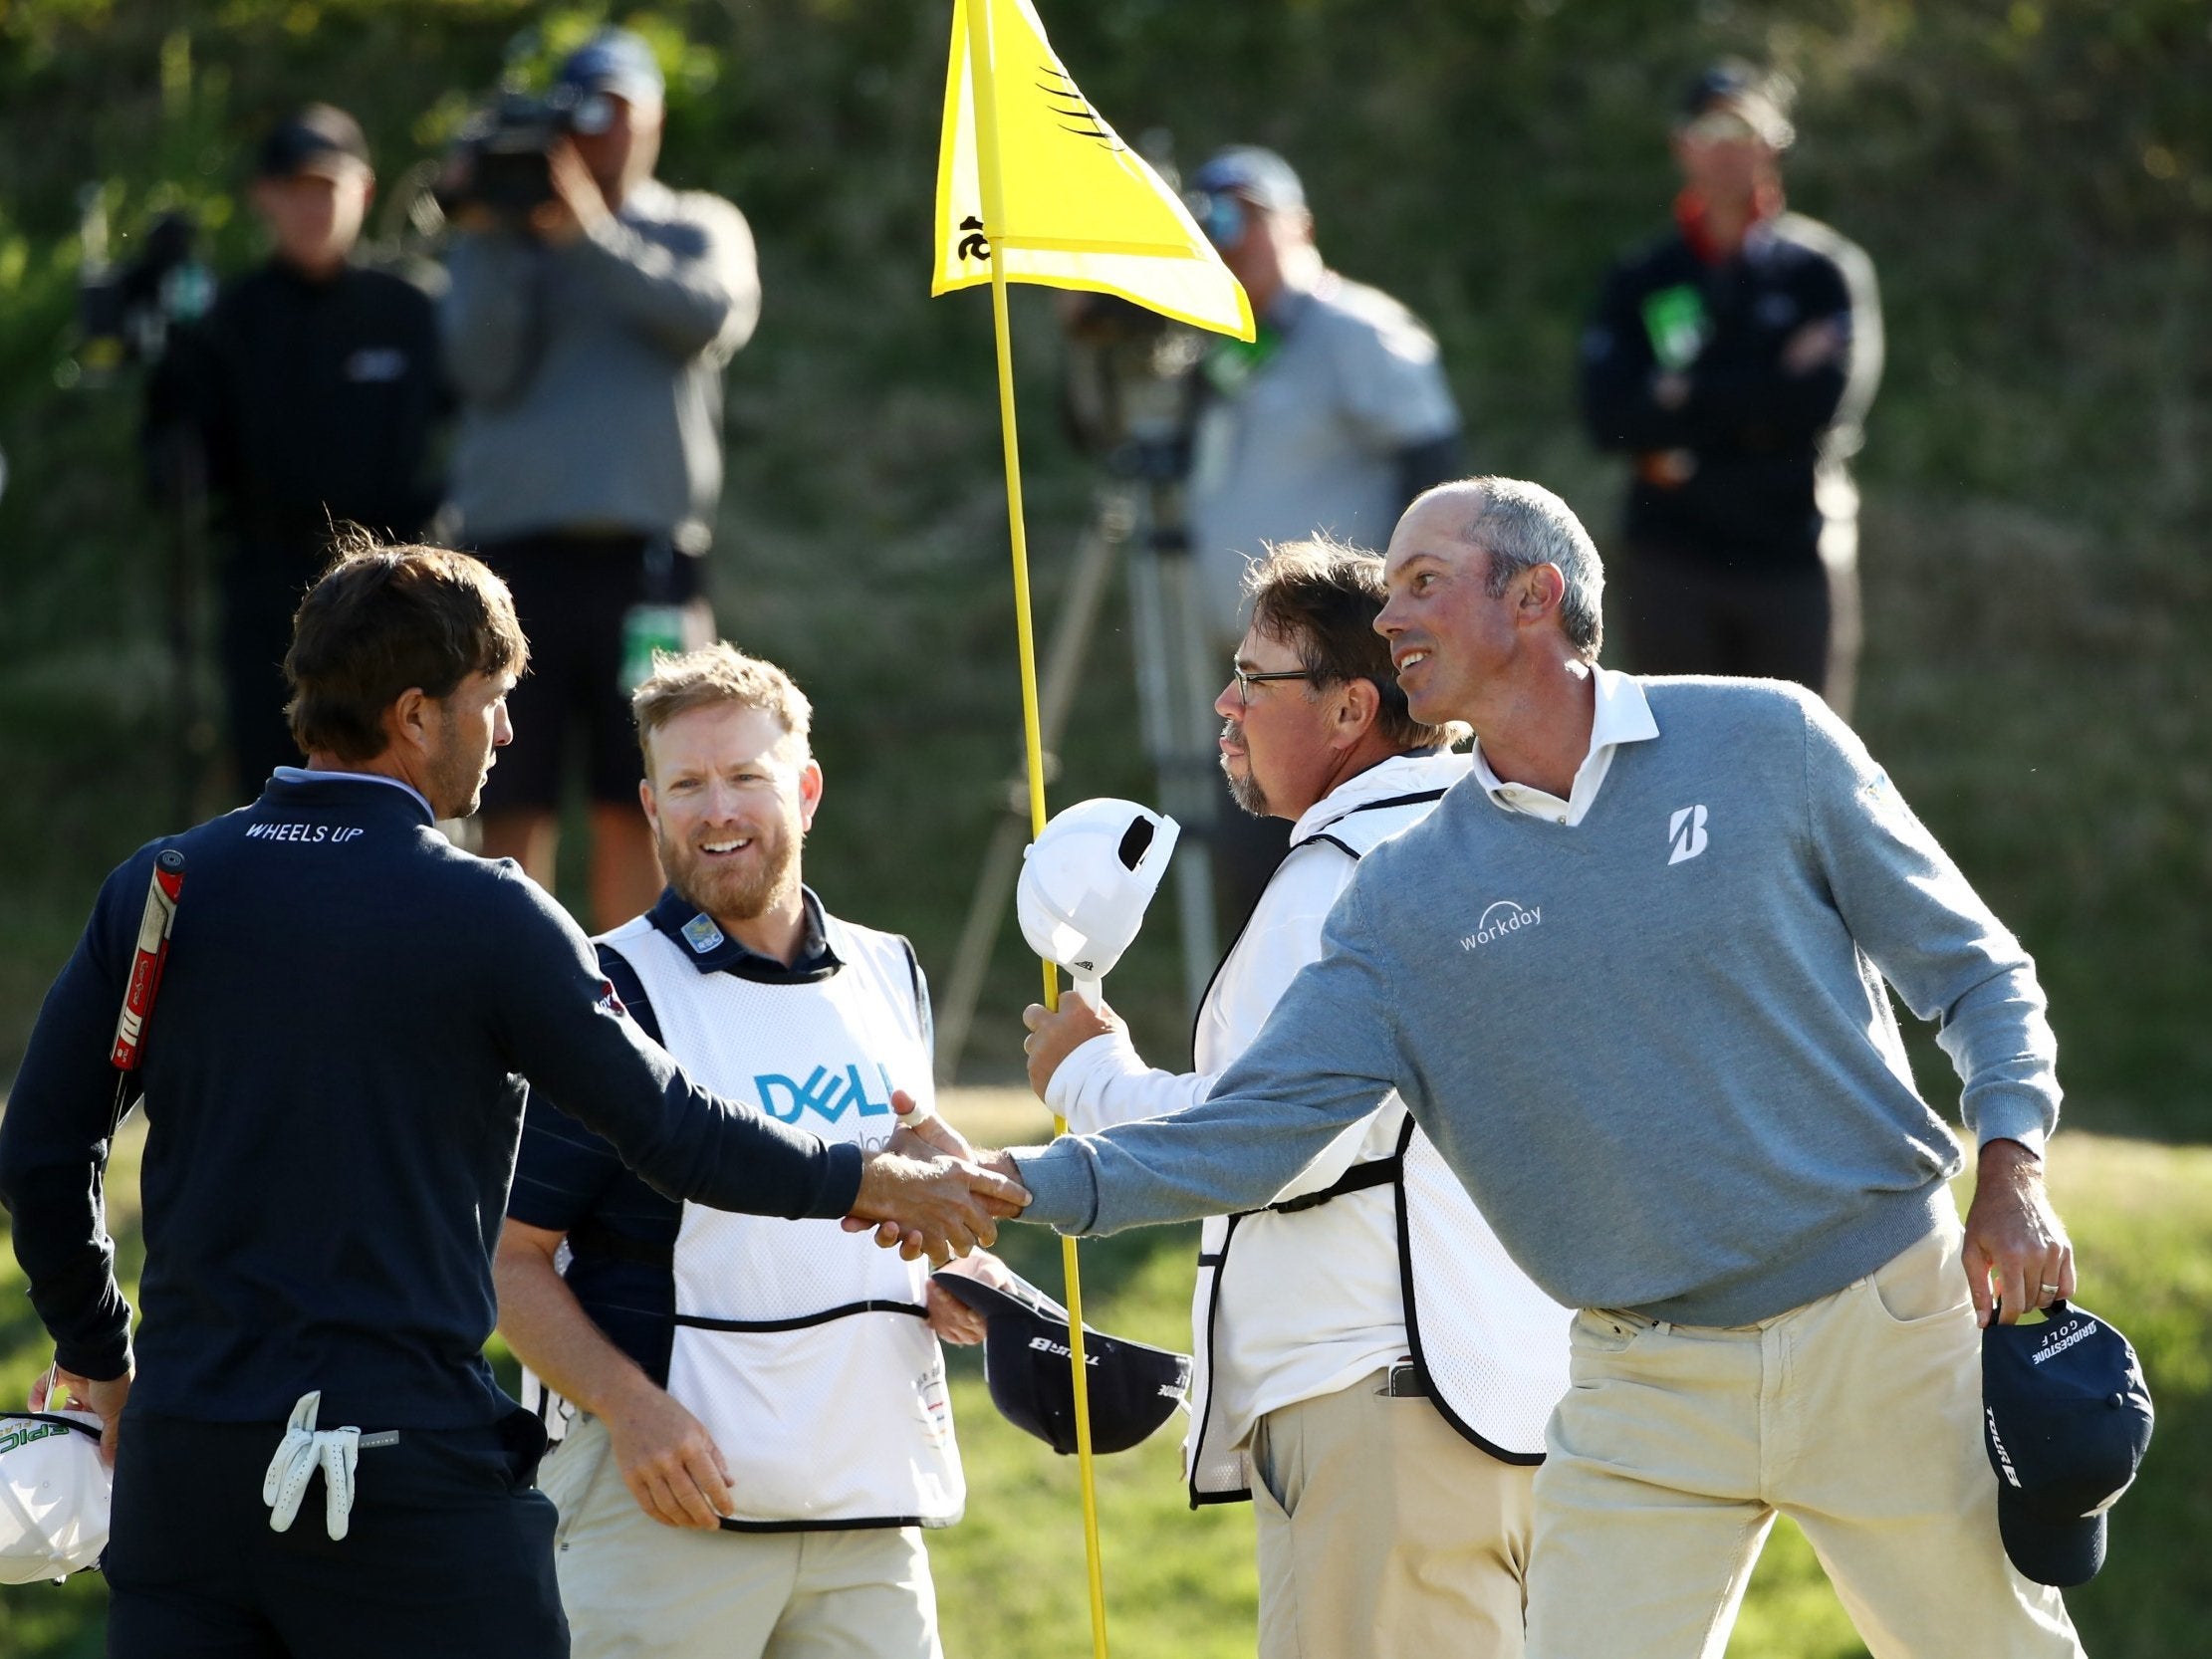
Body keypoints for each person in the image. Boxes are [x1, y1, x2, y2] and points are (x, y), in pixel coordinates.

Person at [983, 479, 2086, 1658]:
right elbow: (1248, 1134)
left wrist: (2012, 1168)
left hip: (1878, 1319)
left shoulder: (1769, 740)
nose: (1392, 616)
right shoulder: (1402, 896)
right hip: (1638, 1375)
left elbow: (1976, 975)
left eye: (1421, 582)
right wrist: (1006, 1184)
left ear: (1534, 596)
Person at [0, 541, 1021, 1659]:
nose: (507, 733)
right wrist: (872, 1179)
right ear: (414, 715)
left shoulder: (163, 882)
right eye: (489, 701)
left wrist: (99, 1355)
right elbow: (671, 1128)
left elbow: (45, 1155)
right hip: (401, 1485)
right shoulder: (484, 910)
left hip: (185, 1470)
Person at [1017, 539, 1569, 1659]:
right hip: (1523, 1404)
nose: (1224, 701)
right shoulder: (1503, 847)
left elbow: (1272, 1140)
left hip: (1383, 1408)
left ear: (1351, 708)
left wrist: (1088, 1075)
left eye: (1256, 676)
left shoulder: (1341, 873)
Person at [497, 642, 1007, 1659]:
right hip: (665, 1507)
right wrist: (630, 1409)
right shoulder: (601, 992)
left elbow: (898, 1211)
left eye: (745, 777)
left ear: (805, 790)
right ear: (648, 806)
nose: (717, 811)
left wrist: (963, 1274)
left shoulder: (887, 970)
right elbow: (508, 1259)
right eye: (686, 784)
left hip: (868, 1510)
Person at [441, 27, 761, 928]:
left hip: (645, 560)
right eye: (585, 113)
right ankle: (511, 991)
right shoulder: (502, 238)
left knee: (641, 790)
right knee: (508, 783)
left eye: (622, 111)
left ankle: (623, 995)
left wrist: (588, 234)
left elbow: (705, 315)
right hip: (509, 562)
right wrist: (497, 236)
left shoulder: (695, 223)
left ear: (657, 118)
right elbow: (475, 365)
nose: (605, 133)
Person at [1180, 145, 1465, 923]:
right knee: (1259, 856)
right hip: (1262, 657)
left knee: (1349, 865)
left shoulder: (1356, 328)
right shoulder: (1223, 340)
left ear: (1299, 223)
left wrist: (1412, 601)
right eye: (1210, 219)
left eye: (1245, 214)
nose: (1227, 237)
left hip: (1348, 655)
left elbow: (1433, 460)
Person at [1580, 62, 1883, 718]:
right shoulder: (1643, 276)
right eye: (1708, 127)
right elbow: (1608, 420)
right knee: (1680, 766)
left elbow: (1820, 407)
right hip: (1671, 557)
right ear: (1680, 143)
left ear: (1774, 142)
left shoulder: (1821, 272)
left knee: (1796, 765)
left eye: (1743, 127)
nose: (1725, 146)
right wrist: (1766, 382)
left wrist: (1679, 395)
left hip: (1791, 553)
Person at [158, 104, 447, 794]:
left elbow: (464, 441)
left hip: (396, 590)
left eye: (330, 187)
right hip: (268, 593)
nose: (315, 207)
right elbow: (175, 453)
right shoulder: (228, 320)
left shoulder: (410, 312)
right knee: (276, 777)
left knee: (399, 777)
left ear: (365, 191)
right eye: (298, 188)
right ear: (266, 196)